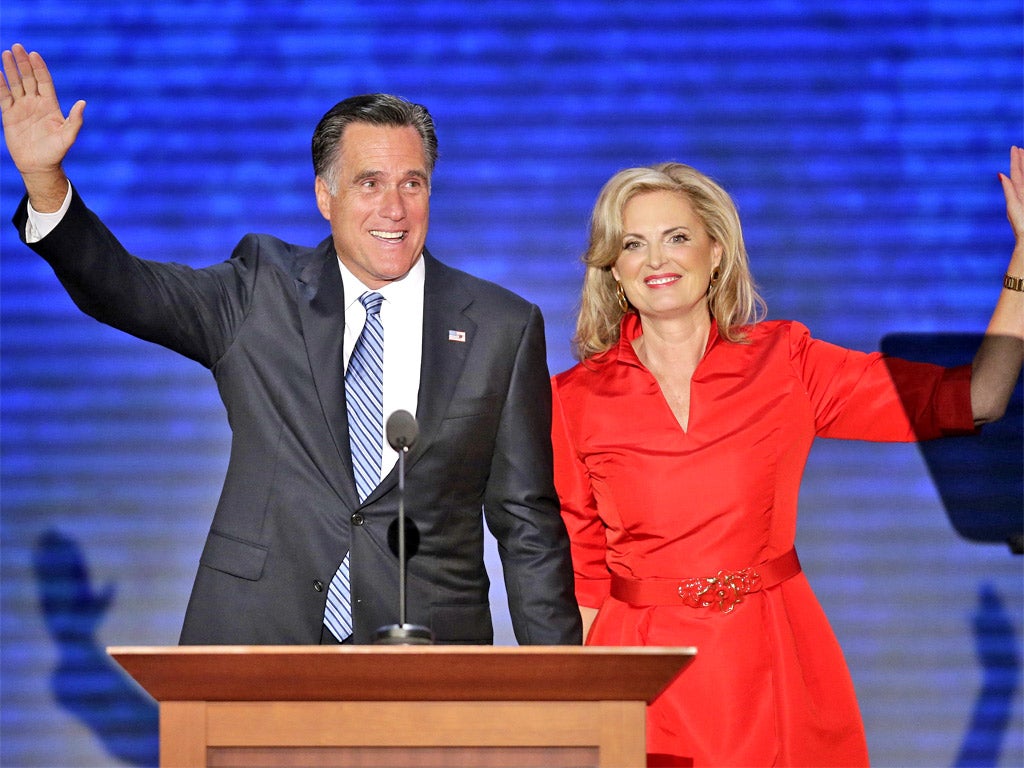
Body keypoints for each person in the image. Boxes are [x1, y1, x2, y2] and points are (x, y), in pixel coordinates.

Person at [1, 43, 582, 646]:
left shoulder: (501, 326)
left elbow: (527, 524)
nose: (394, 207)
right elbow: (125, 290)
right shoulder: (262, 289)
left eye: (413, 183)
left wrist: (571, 695)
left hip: (425, 649)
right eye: (369, 182)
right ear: (325, 197)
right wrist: (46, 183)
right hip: (257, 634)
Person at [551, 154, 1023, 765]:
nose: (658, 260)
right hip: (641, 672)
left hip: (770, 654)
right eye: (634, 244)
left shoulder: (786, 361)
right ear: (614, 268)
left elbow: (975, 399)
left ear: (716, 252)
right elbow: (582, 569)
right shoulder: (572, 398)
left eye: (677, 238)